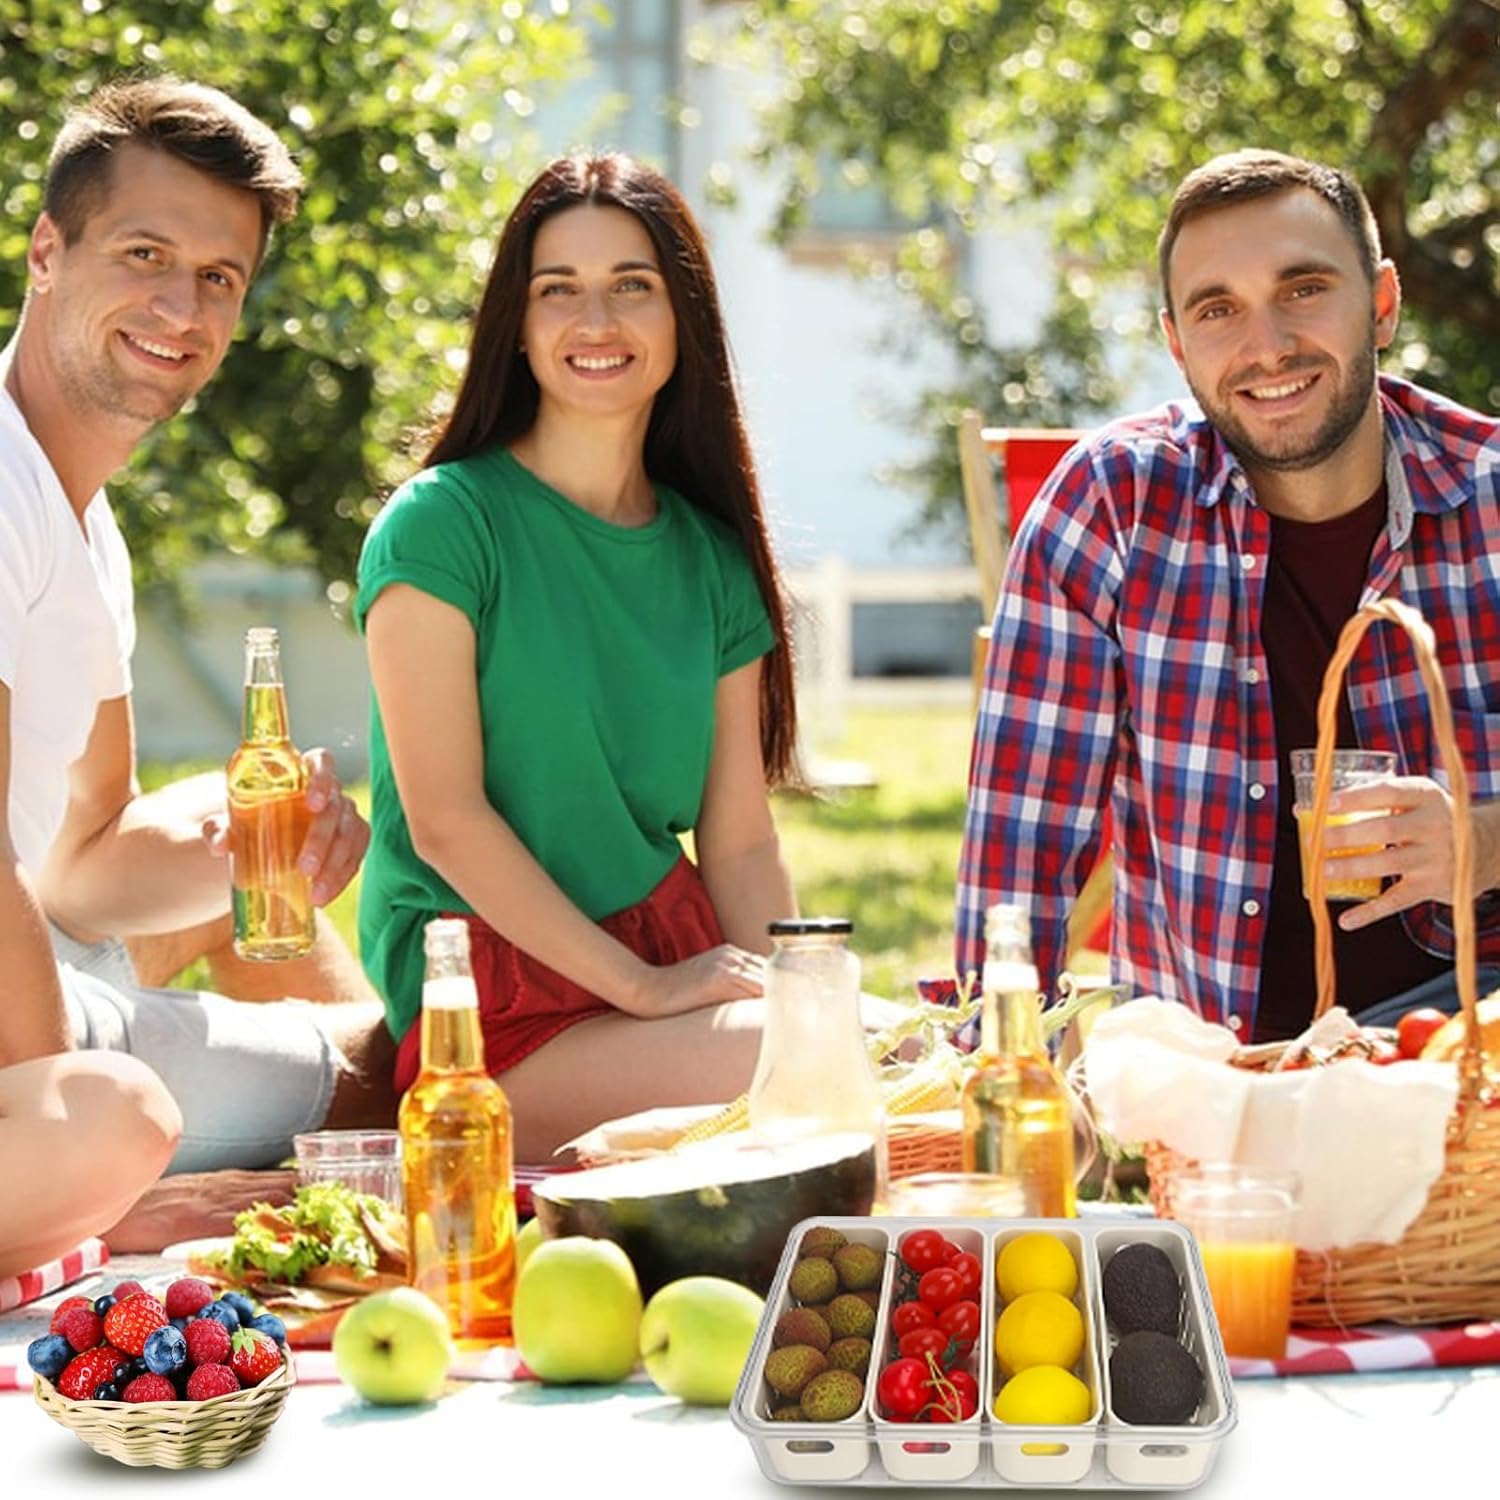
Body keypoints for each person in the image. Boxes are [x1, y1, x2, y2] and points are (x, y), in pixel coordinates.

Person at [957, 148, 1500, 1044]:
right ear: (1176, 343)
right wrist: (1000, 1090)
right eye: (1219, 310)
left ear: (1384, 303)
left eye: (1304, 288)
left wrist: (1478, 842)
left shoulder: (1486, 493)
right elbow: (1019, 860)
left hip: (1466, 1052)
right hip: (1218, 1077)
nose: (1268, 346)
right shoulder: (1111, 508)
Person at [0, 76, 395, 1230]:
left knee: (369, 1060)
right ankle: (80, 1197)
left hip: (44, 979)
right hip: (34, 1040)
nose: (182, 306)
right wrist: (60, 1115)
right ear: (46, 251)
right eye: (143, 254)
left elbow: (83, 857)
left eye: (218, 277)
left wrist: (251, 841)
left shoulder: (81, 522)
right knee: (154, 1116)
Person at [356, 153, 803, 1159]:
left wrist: (806, 987)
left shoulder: (712, 558)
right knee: (811, 1068)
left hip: (668, 959)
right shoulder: (443, 525)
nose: (593, 323)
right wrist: (646, 989)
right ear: (516, 326)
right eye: (557, 290)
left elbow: (738, 843)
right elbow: (447, 824)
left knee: (863, 1045)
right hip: (491, 999)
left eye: (631, 288)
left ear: (683, 321)